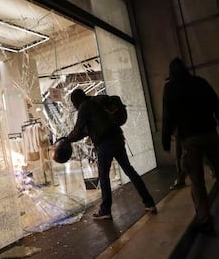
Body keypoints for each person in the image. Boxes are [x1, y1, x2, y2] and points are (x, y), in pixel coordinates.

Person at [162, 57, 219, 236]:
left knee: (197, 182)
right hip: (209, 134)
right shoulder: (200, 82)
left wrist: (165, 141)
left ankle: (205, 220)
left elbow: (167, 116)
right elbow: (216, 105)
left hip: (189, 139)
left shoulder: (170, 88)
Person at [66, 89, 157, 220]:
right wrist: (71, 138)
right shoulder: (95, 103)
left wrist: (66, 139)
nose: (75, 106)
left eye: (74, 103)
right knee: (130, 171)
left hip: (105, 144)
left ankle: (105, 210)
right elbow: (86, 131)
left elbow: (78, 129)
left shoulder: (85, 106)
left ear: (76, 100)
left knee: (104, 176)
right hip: (117, 139)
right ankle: (149, 202)